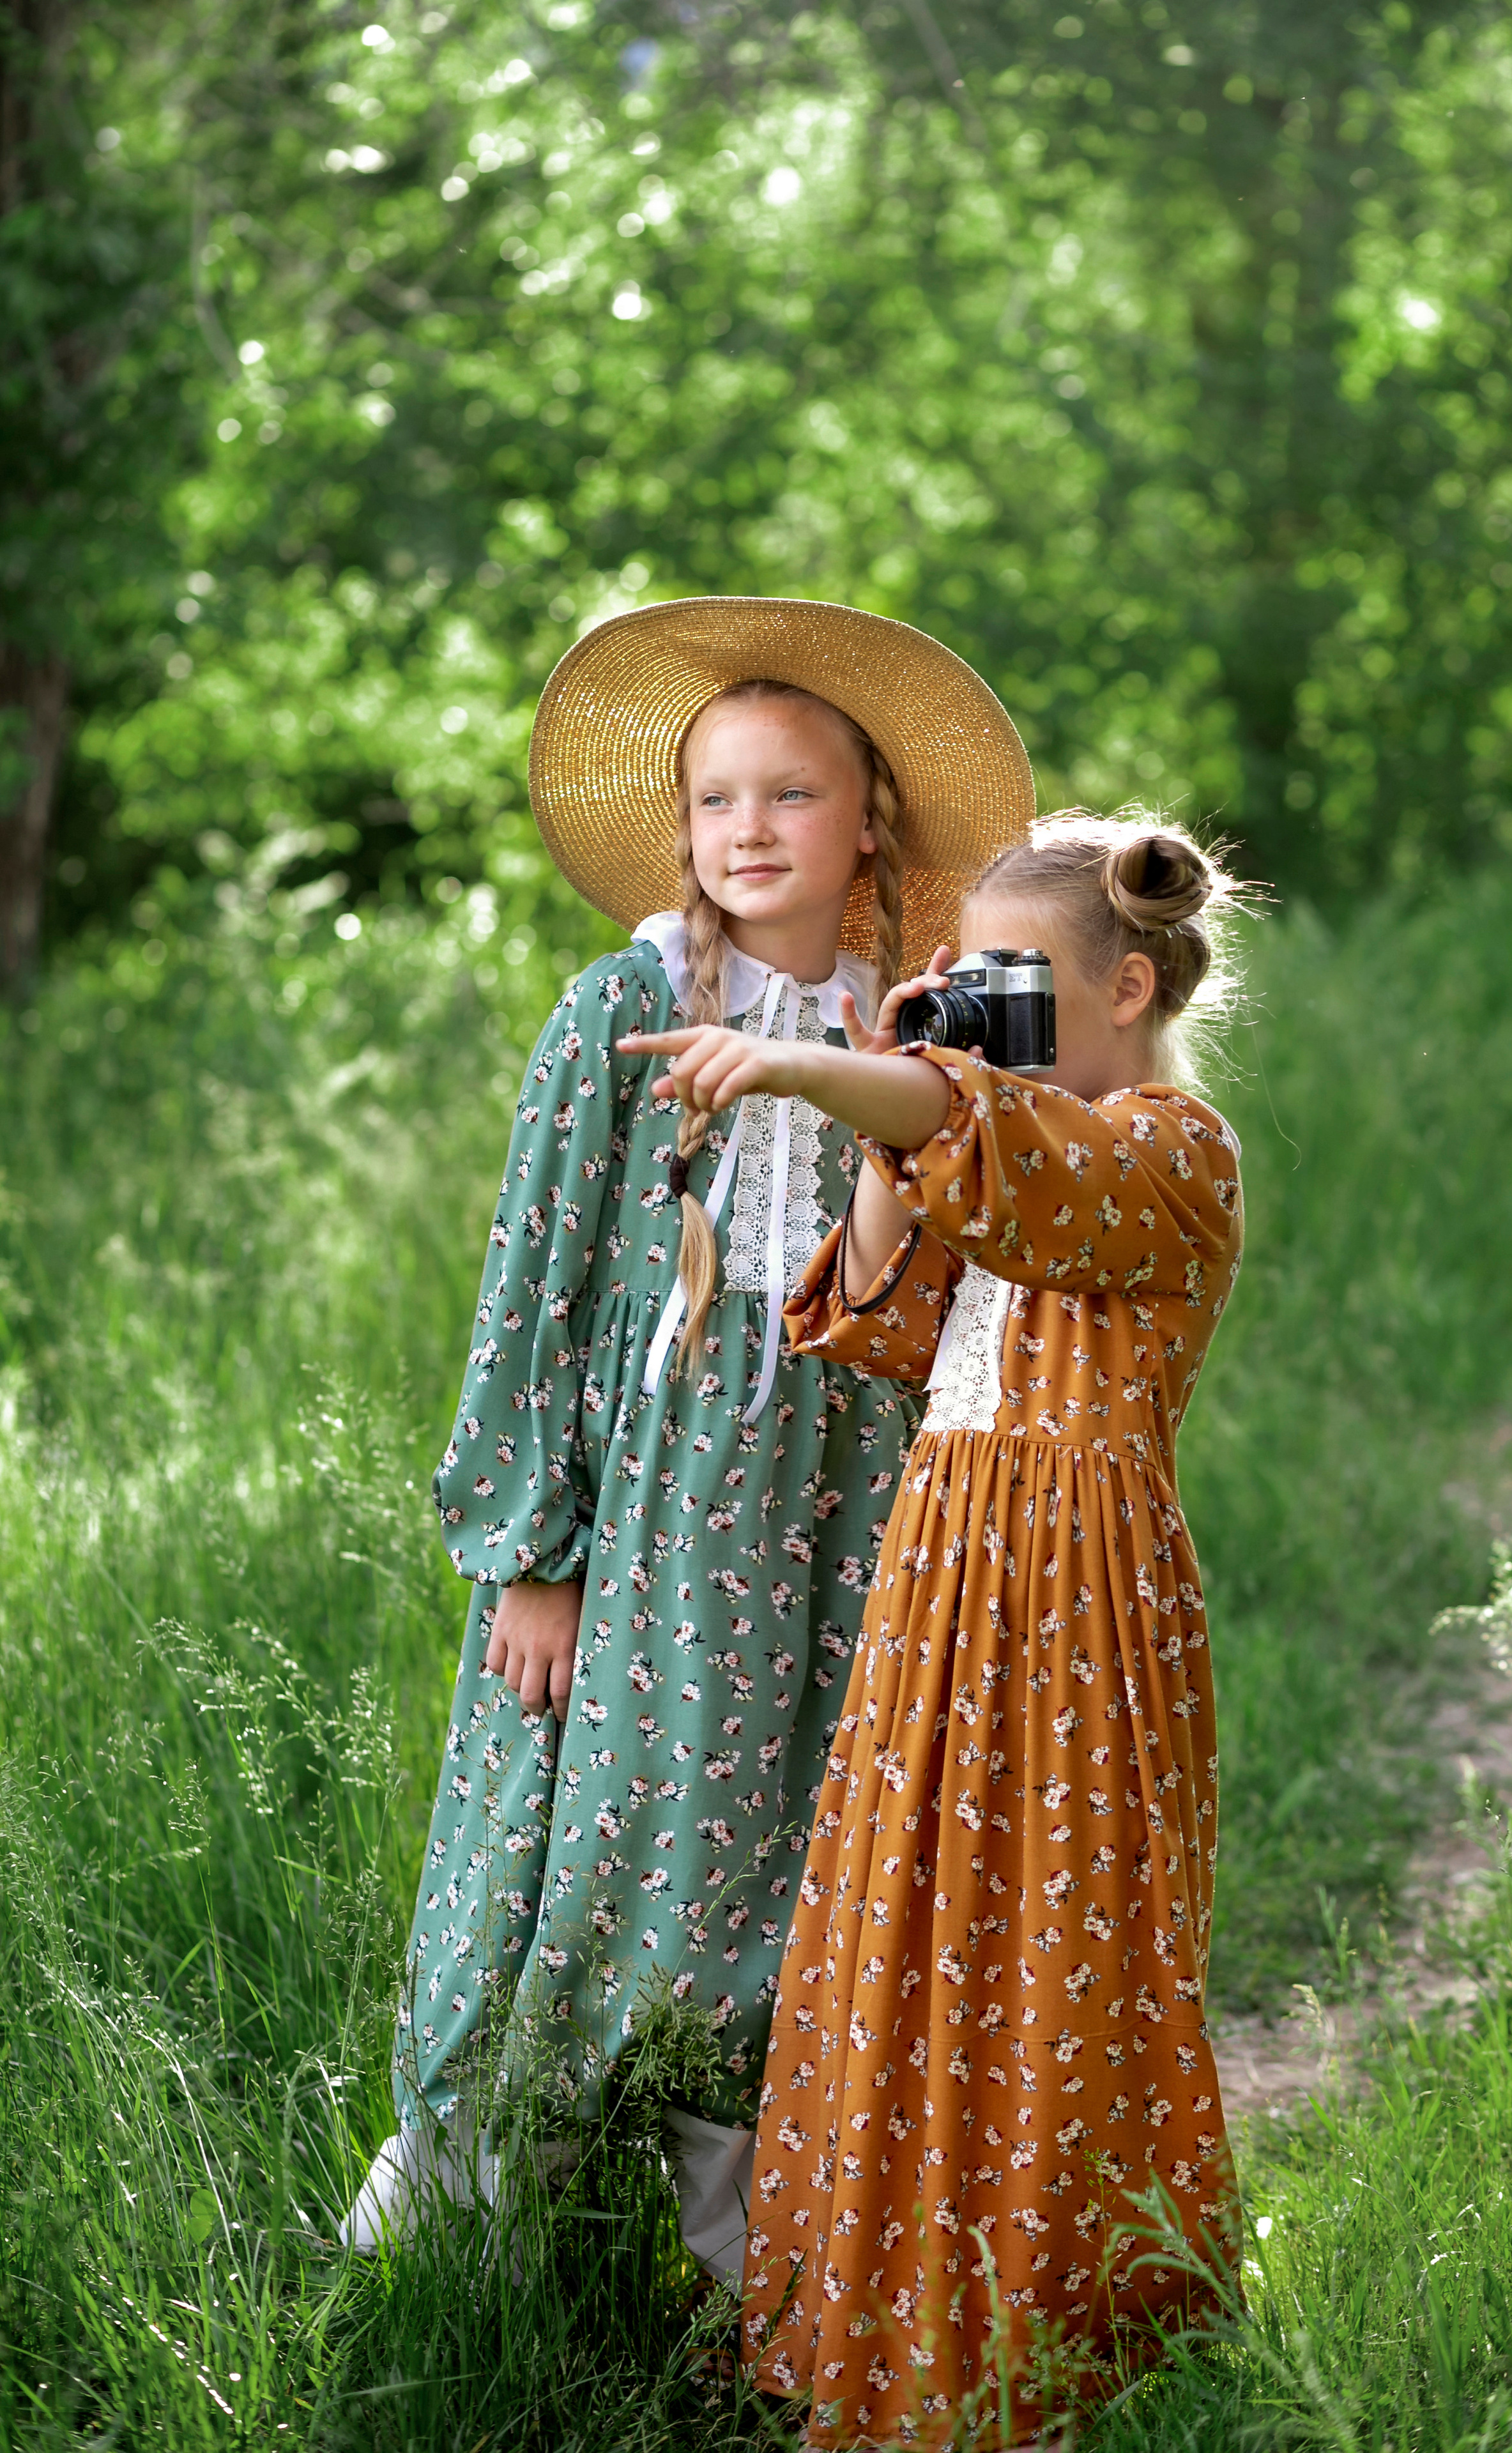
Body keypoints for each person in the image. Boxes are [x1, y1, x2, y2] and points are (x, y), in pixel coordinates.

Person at [341, 597, 1035, 2277]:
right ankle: (461, 2223)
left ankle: (762, 2253)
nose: (749, 828)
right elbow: (537, 1286)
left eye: (791, 793)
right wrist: (534, 1552)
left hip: (850, 1498)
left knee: (801, 1837)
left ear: (866, 819)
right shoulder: (620, 1007)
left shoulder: (908, 1026)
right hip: (659, 1506)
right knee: (605, 1829)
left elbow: (959, 1274)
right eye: (716, 797)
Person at [623, 810, 1247, 2440]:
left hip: (1073, 1596)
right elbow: (879, 1316)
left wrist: (820, 1073)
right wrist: (882, 1113)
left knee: (1053, 1937)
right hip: (943, 1578)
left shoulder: (1169, 1150)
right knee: (902, 1933)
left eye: (1010, 982)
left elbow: (1030, 1175)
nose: (980, 1013)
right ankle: (890, 2325)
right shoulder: (990, 1145)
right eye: (967, 980)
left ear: (1125, 988)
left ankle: (1054, 2337)